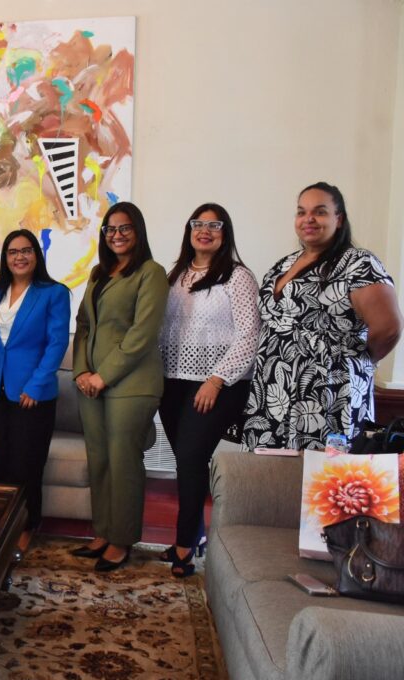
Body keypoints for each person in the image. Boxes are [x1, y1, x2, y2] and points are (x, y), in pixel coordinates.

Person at [243, 182, 402, 451]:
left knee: (321, 479)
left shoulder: (358, 262)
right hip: (272, 389)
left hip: (329, 391)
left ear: (338, 219)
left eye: (320, 211)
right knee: (269, 476)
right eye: (301, 212)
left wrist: (357, 360)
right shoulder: (285, 263)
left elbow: (388, 329)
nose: (309, 219)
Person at [157, 203, 260, 577]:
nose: (205, 230)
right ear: (189, 231)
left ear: (224, 232)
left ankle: (185, 546)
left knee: (189, 457)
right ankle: (194, 535)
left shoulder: (237, 277)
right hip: (173, 382)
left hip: (217, 384)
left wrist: (215, 380)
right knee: (189, 461)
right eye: (198, 224)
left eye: (213, 225)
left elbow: (249, 336)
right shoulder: (176, 276)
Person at [71, 201, 168, 572]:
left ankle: (123, 539)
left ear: (138, 232)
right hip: (91, 382)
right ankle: (103, 531)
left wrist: (102, 375)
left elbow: (141, 334)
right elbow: (83, 325)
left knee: (124, 460)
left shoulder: (151, 273)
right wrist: (81, 370)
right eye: (110, 230)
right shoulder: (98, 274)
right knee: (99, 458)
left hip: (132, 383)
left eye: (124, 228)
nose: (117, 235)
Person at [0, 229, 70, 534]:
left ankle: (28, 528)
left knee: (27, 466)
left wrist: (36, 385)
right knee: (2, 464)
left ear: (36, 255)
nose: (20, 257)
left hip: (33, 394)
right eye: (13, 252)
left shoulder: (53, 293)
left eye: (26, 251)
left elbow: (56, 345)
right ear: (5, 258)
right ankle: (3, 528)